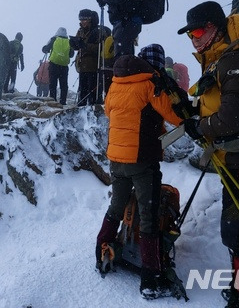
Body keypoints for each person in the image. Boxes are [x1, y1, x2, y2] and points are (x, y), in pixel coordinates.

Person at [177, 1, 239, 308]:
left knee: (237, 234)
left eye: (198, 31)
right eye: (190, 34)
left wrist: (202, 128)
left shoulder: (236, 58)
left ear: (216, 27)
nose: (194, 39)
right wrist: (196, 114)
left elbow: (233, 117)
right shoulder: (222, 59)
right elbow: (220, 104)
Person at [95, 54, 184, 300]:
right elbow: (177, 117)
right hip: (142, 160)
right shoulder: (149, 84)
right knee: (149, 216)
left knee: (116, 207)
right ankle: (151, 280)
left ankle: (100, 252)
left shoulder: (115, 83)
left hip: (116, 158)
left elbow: (108, 113)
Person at [72, 9, 100, 105]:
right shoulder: (80, 31)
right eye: (81, 20)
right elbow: (79, 46)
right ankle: (82, 107)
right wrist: (73, 44)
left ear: (90, 19)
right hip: (82, 65)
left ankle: (91, 107)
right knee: (82, 89)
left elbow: (100, 48)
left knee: (91, 90)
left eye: (84, 19)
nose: (82, 22)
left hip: (93, 65)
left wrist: (85, 45)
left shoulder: (97, 31)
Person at [42, 27, 74, 105]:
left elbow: (45, 49)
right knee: (64, 84)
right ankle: (63, 101)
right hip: (64, 66)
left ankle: (53, 100)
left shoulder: (54, 39)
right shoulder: (69, 41)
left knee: (53, 83)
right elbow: (71, 54)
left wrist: (45, 49)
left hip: (54, 64)